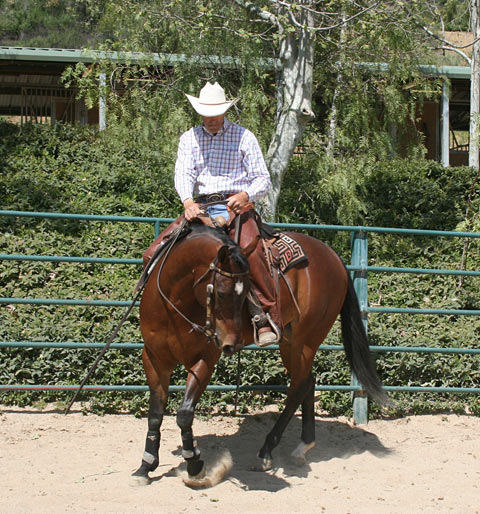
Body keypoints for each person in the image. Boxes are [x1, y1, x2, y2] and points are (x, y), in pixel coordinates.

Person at [143, 81, 280, 347]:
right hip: (201, 207)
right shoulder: (189, 138)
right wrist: (187, 201)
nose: (212, 118)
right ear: (200, 112)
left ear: (224, 111)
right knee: (155, 251)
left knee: (251, 252)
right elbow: (183, 173)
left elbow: (262, 179)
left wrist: (245, 196)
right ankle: (156, 308)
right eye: (207, 113)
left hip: (236, 207)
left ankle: (263, 316)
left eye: (216, 113)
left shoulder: (244, 137)